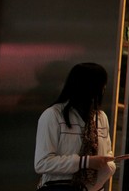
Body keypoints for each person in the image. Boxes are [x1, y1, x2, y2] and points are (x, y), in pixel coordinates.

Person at [34, 62, 116, 191]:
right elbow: (42, 163)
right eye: (101, 85)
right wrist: (84, 162)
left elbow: (107, 155)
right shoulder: (53, 115)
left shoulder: (101, 117)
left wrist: (108, 166)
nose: (104, 89)